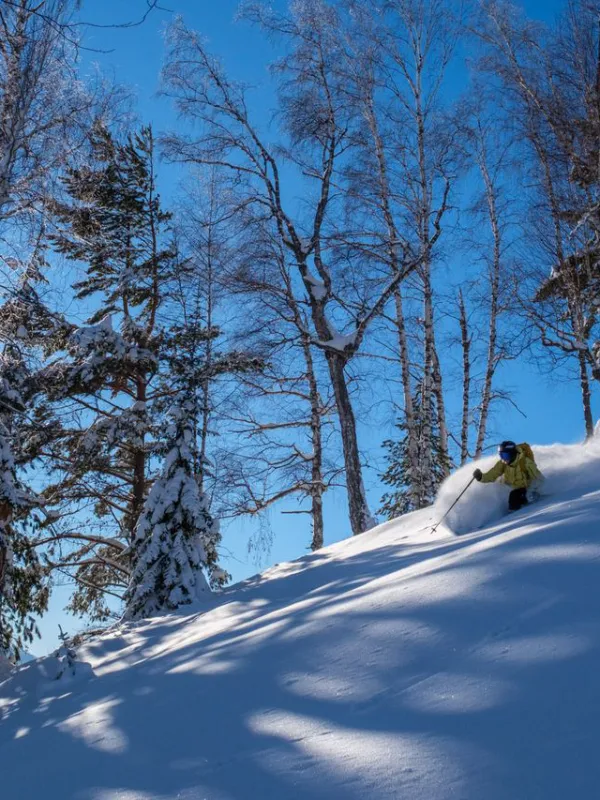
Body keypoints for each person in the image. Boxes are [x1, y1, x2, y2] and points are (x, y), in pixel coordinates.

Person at [473, 440, 543, 511]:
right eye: (501, 455)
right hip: (511, 488)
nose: (504, 459)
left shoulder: (526, 462)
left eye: (506, 455)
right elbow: (493, 474)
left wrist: (532, 491)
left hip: (528, 490)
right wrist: (480, 477)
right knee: (502, 492)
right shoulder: (503, 463)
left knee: (514, 496)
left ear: (513, 454)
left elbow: (538, 478)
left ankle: (520, 513)